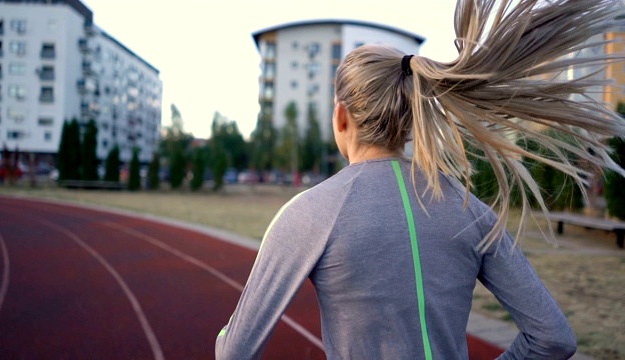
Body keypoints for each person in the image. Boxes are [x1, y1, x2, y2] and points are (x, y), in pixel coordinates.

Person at [216, 0, 625, 358]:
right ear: (410, 120)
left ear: (341, 117)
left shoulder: (309, 213)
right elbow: (554, 338)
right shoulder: (470, 210)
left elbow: (235, 350)